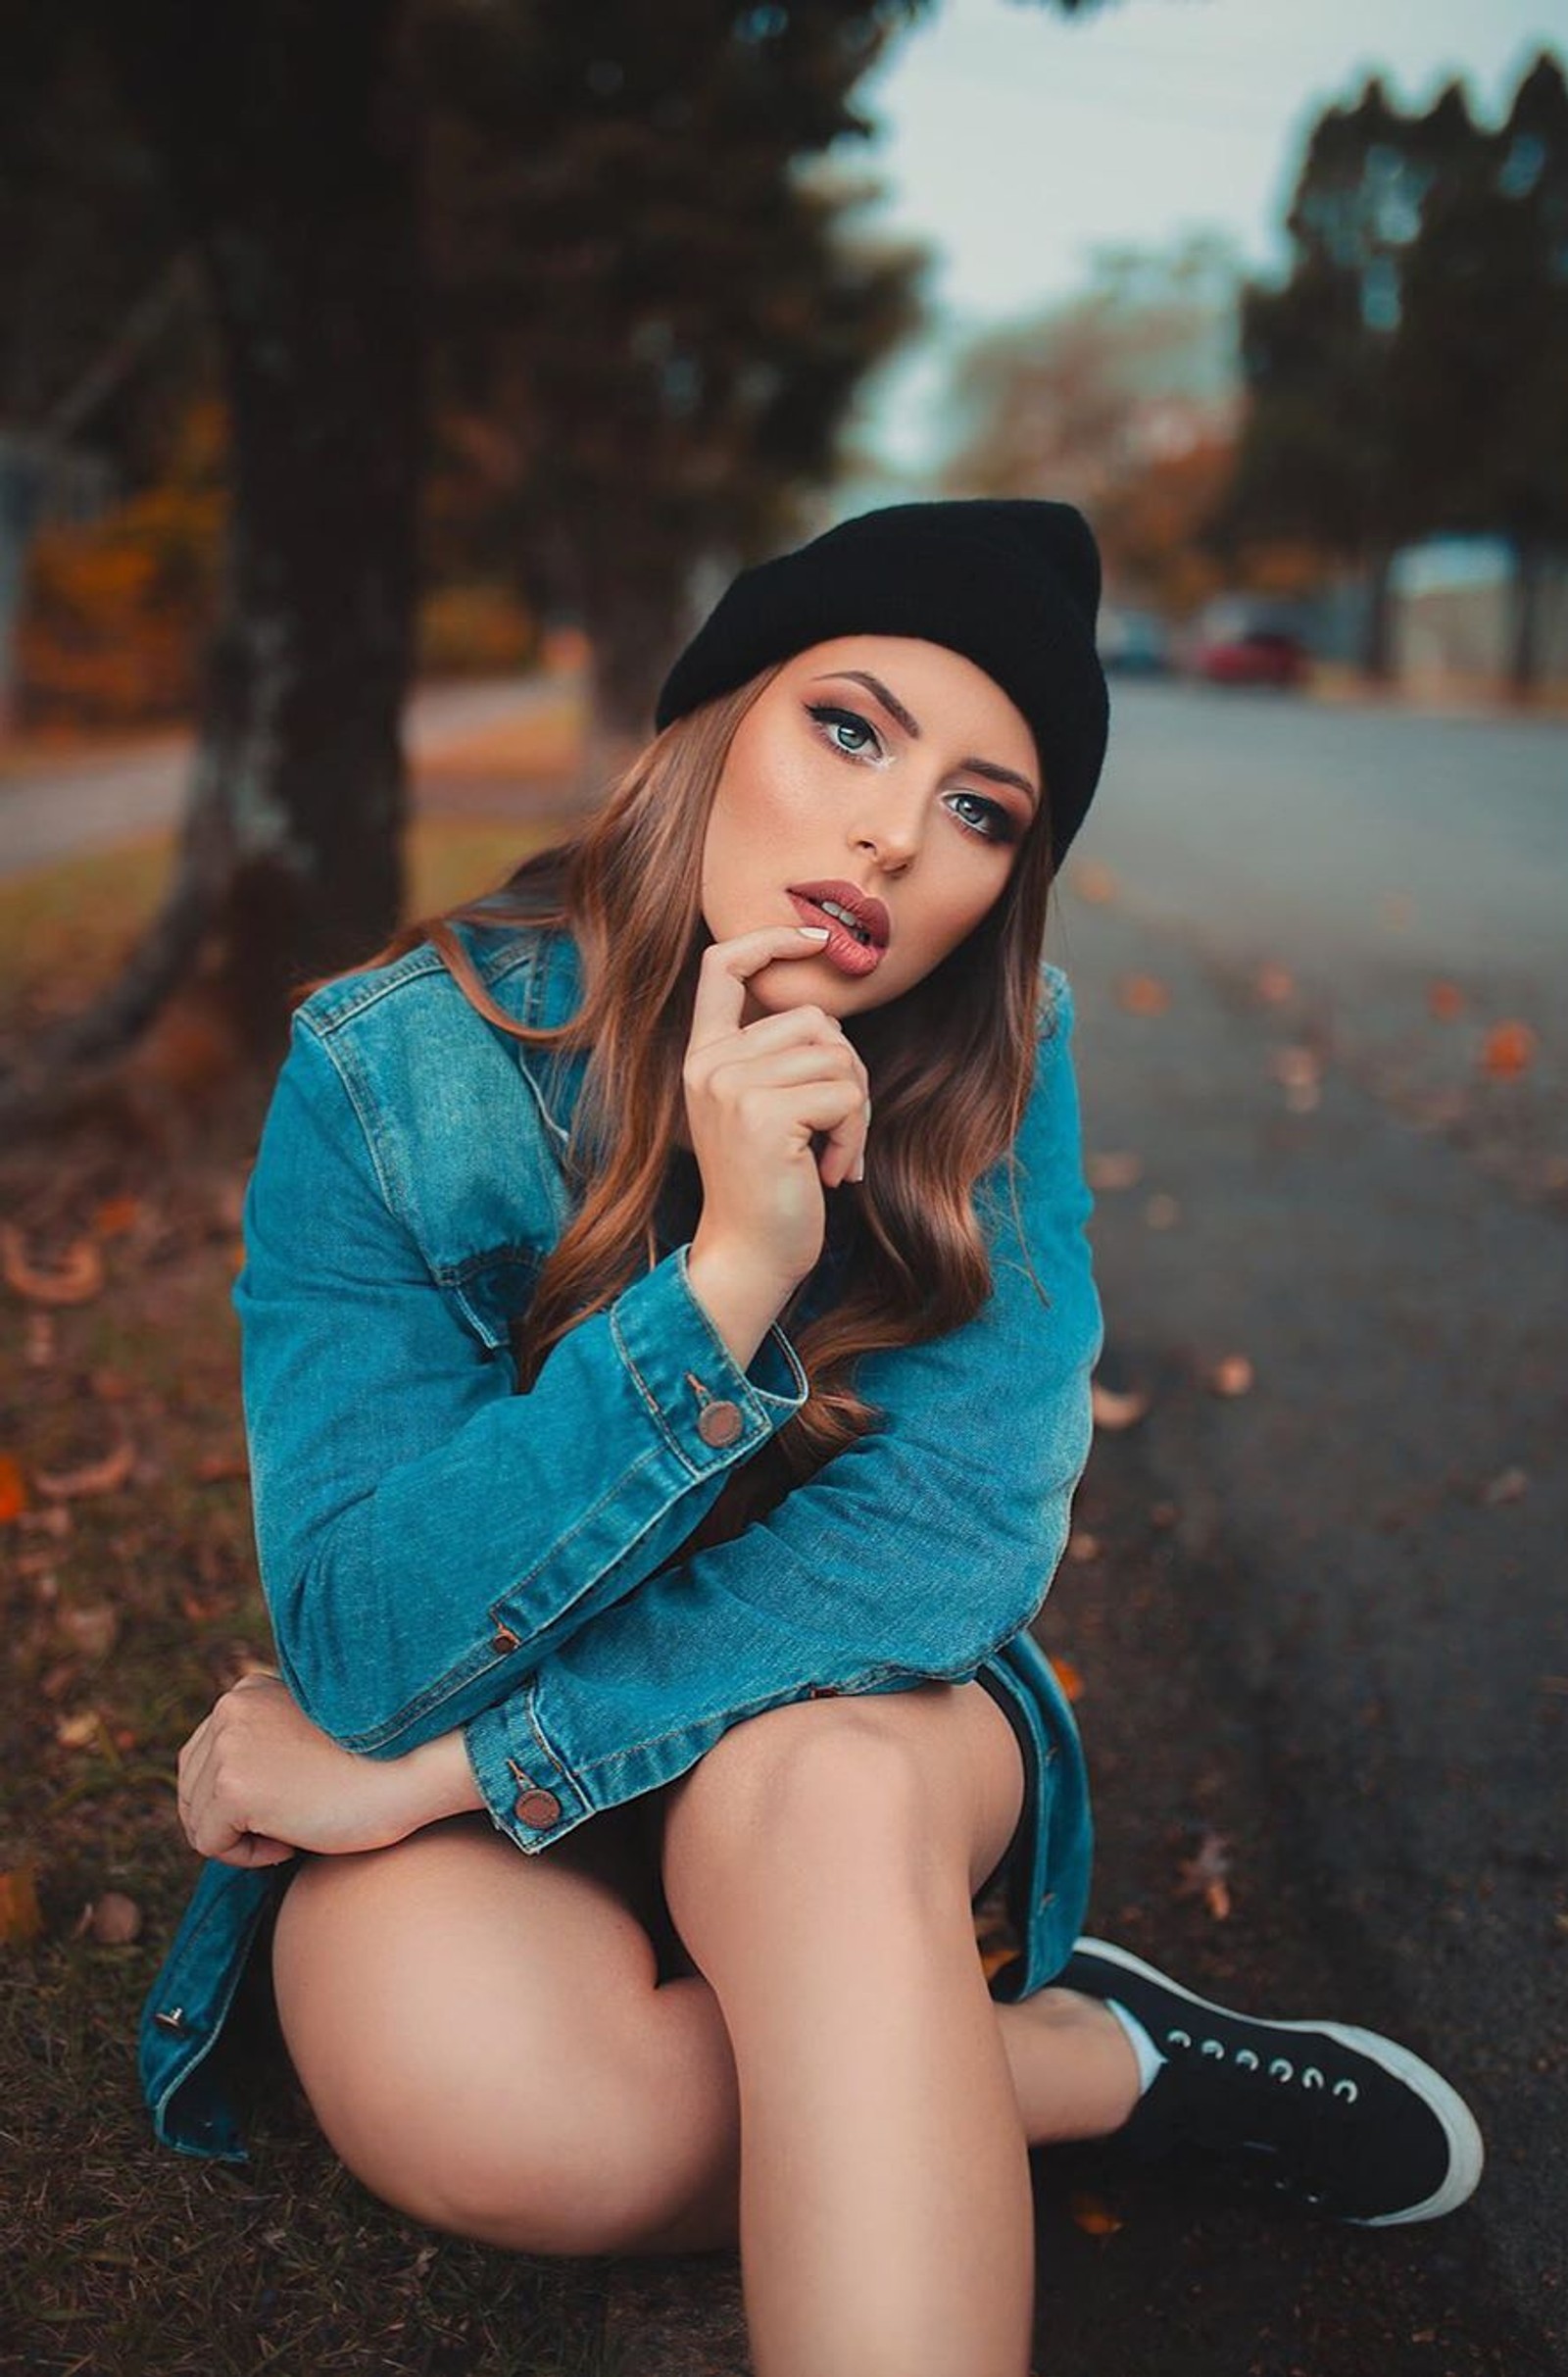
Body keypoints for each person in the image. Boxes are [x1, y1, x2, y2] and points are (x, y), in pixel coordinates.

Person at [141, 501, 1483, 2377]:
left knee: (818, 1793)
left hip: (831, 1727)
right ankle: (1076, 2064)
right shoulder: (390, 1072)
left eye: (980, 810)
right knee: (487, 2112)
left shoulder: (996, 1063)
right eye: (851, 728)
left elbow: (947, 1538)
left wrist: (449, 1769)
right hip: (481, 1734)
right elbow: (365, 1642)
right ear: (711, 724)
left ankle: (887, 1999)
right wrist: (719, 1285)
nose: (891, 833)